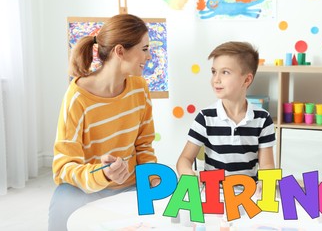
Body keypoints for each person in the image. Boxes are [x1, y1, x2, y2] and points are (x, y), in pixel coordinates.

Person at [48, 14, 160, 231]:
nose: (149, 56)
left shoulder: (139, 87)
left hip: (129, 187)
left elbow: (144, 145)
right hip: (85, 189)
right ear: (120, 51)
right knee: (63, 201)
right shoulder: (77, 98)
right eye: (144, 49)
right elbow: (62, 168)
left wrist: (152, 178)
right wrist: (102, 174)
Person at [176, 41, 276, 191]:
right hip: (213, 195)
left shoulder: (263, 119)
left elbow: (267, 164)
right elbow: (184, 159)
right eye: (214, 71)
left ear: (247, 80)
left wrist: (266, 183)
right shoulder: (205, 117)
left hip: (247, 195)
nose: (216, 79)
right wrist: (187, 173)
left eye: (225, 72)